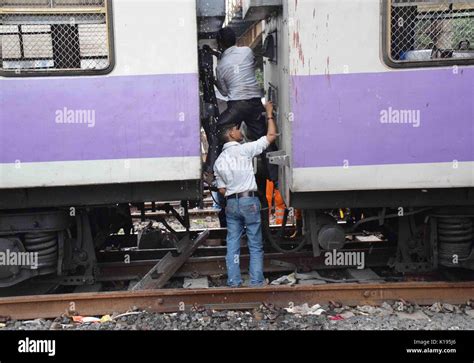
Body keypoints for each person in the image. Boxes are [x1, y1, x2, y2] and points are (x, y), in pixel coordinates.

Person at [213, 101, 277, 287]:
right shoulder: (244, 150)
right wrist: (269, 114)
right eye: (236, 128)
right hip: (249, 201)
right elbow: (271, 136)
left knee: (233, 244)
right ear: (230, 134)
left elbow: (222, 190)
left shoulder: (219, 161)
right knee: (255, 244)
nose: (239, 131)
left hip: (231, 204)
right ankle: (256, 282)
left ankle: (234, 281)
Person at [204, 27, 268, 179]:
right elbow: (238, 62)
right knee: (263, 141)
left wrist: (213, 80)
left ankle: (210, 170)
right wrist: (217, 54)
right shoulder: (247, 51)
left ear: (220, 43)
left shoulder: (220, 67)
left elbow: (225, 93)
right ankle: (274, 179)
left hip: (237, 106)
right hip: (255, 104)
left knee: (218, 130)